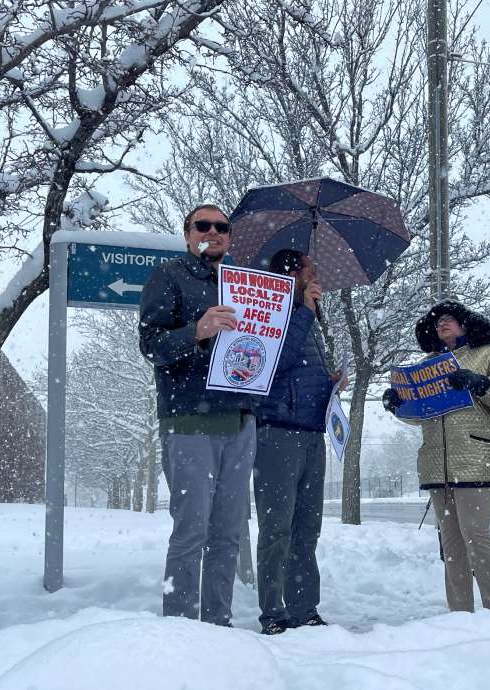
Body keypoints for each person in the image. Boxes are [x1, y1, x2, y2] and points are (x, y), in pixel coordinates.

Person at [139, 204, 258, 625]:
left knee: (228, 534)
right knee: (191, 531)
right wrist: (197, 331)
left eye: (221, 227)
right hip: (189, 420)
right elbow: (151, 346)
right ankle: (181, 628)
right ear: (188, 233)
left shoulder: (247, 285)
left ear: (230, 236)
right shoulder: (169, 276)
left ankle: (218, 625)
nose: (213, 231)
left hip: (241, 420)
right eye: (202, 225)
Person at [383, 300, 490, 616]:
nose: (442, 324)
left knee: (476, 535)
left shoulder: (487, 354)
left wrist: (482, 384)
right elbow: (421, 415)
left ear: (464, 323)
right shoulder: (427, 365)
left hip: (476, 459)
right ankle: (460, 615)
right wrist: (398, 407)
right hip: (436, 464)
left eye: (448, 318)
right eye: (437, 322)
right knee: (451, 544)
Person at [251, 249, 346, 635]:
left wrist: (330, 382)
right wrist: (304, 311)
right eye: (311, 270)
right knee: (277, 528)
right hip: (277, 432)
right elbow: (273, 361)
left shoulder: (313, 318)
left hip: (312, 433)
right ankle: (273, 613)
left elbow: (301, 369)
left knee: (308, 527)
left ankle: (304, 607)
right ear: (292, 275)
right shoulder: (269, 313)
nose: (317, 277)